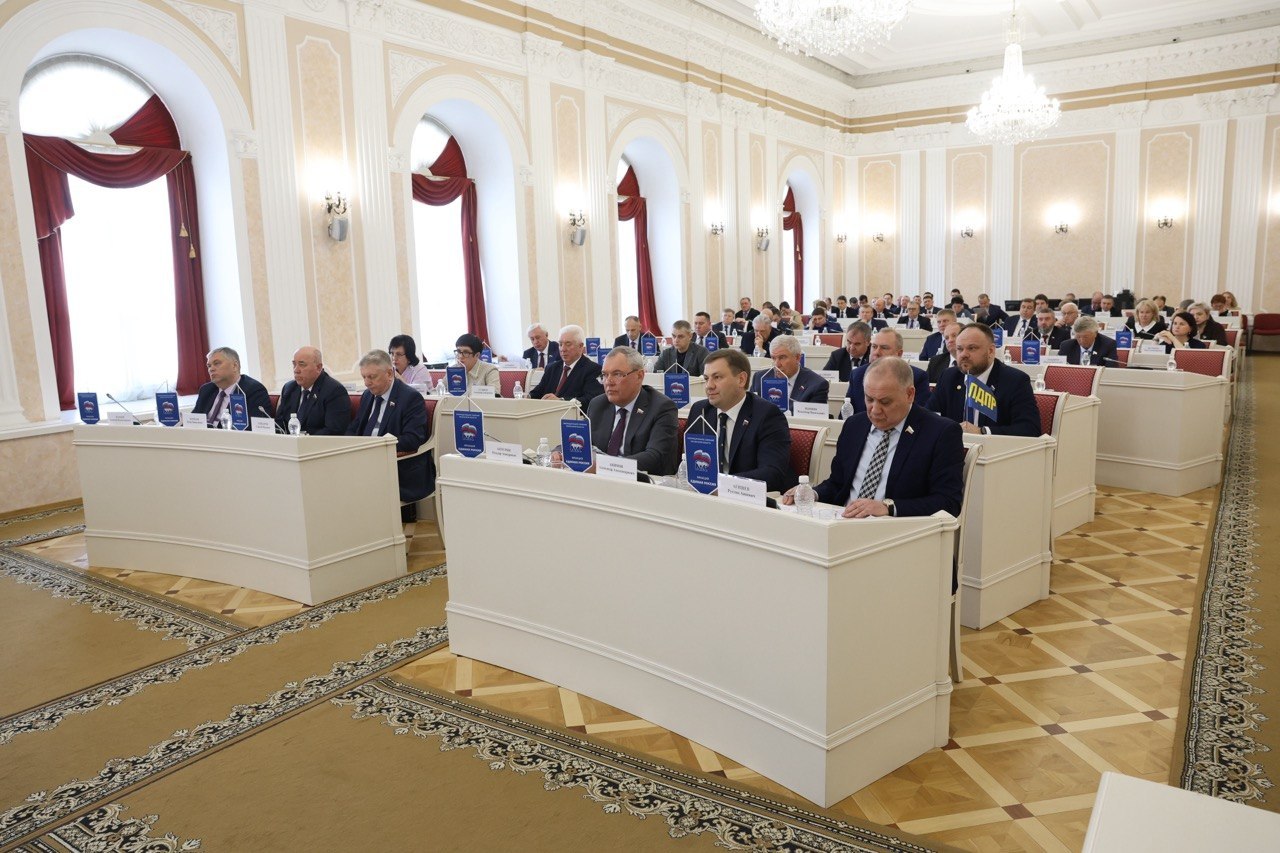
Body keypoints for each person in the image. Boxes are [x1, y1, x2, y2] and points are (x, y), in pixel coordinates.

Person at [784, 358, 964, 519]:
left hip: (897, 533)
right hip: (843, 522)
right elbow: (837, 484)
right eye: (869, 399)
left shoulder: (940, 432)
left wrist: (888, 508)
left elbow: (949, 502)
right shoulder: (855, 425)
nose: (875, 410)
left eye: (885, 402)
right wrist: (812, 494)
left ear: (910, 394)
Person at [684, 349, 795, 493]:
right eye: (706, 378)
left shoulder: (767, 415)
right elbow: (689, 462)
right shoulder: (700, 410)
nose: (709, 386)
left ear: (741, 379)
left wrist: (721, 485)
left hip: (744, 499)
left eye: (717, 377)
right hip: (704, 496)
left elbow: (772, 474)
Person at [346, 349, 432, 519]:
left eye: (372, 377)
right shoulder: (368, 395)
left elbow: (412, 439)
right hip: (364, 460)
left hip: (396, 464)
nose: (367, 383)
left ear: (389, 373)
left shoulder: (410, 398)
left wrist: (378, 447)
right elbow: (355, 428)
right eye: (364, 377)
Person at [927, 323, 1041, 437]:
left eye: (972, 348)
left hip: (994, 447)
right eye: (960, 349)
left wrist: (982, 431)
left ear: (990, 351)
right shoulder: (948, 376)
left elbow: (1030, 429)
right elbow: (929, 416)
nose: (964, 354)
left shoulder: (1015, 381)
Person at [586, 347, 679, 476]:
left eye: (617, 374)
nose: (608, 382)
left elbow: (655, 456)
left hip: (642, 482)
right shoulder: (598, 404)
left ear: (639, 376)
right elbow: (584, 443)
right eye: (605, 375)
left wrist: (606, 466)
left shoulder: (662, 407)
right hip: (600, 480)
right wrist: (561, 452)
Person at [846, 329, 931, 414]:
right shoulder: (857, 374)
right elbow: (846, 414)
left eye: (884, 348)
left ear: (899, 354)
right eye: (874, 347)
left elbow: (919, 415)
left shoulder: (916, 377)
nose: (876, 352)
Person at [274, 346, 351, 435]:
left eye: (302, 364)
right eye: (294, 364)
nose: (296, 370)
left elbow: (333, 431)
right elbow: (279, 425)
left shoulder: (334, 391)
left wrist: (304, 440)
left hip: (317, 442)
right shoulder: (289, 388)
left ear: (318, 367)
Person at [193, 346, 273, 427]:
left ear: (235, 366)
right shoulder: (206, 390)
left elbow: (256, 428)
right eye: (209, 366)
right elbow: (193, 420)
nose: (211, 369)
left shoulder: (253, 390)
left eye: (216, 363)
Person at [749, 334, 828, 411]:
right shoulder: (759, 378)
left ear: (797, 358)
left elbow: (812, 418)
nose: (777, 364)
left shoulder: (817, 385)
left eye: (782, 357)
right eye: (773, 358)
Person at [529, 325, 603, 406]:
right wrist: (524, 397)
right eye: (560, 344)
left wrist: (561, 401)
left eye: (568, 344)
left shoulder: (593, 369)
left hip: (573, 413)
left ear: (580, 346)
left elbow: (591, 400)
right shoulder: (552, 368)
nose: (563, 349)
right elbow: (537, 393)